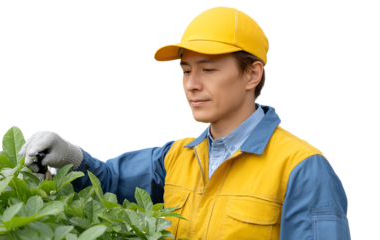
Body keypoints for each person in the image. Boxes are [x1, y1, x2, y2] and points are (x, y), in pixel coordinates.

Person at [18, 5, 351, 240]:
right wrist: (71, 155)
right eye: (185, 71)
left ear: (252, 73)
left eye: (208, 70)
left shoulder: (303, 168)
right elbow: (108, 181)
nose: (191, 84)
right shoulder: (177, 156)